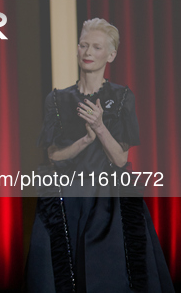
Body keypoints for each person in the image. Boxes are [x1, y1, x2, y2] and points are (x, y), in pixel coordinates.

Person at [25, 18, 174, 292]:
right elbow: (54, 156)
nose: (88, 52)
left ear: (111, 54)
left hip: (109, 203)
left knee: (110, 277)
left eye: (96, 47)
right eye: (83, 45)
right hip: (67, 199)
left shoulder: (122, 97)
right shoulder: (57, 99)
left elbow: (120, 159)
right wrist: (85, 139)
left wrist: (100, 127)